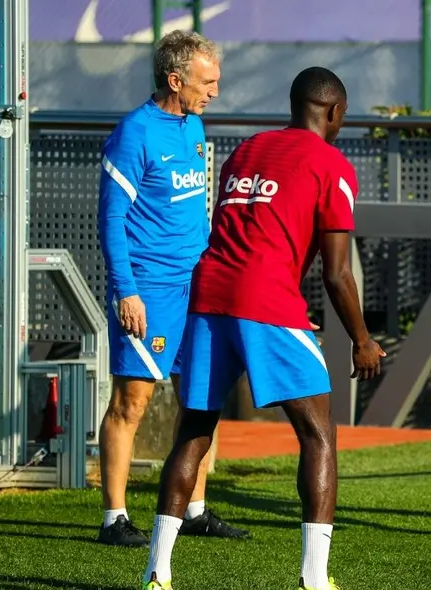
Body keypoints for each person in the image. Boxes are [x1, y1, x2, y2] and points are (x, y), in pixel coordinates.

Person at [140, 66, 384, 590]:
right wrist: (362, 341)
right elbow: (338, 273)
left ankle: (157, 572)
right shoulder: (333, 164)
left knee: (193, 432)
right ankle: (315, 578)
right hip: (265, 300)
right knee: (318, 434)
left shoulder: (245, 151)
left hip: (208, 295)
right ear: (335, 111)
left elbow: (255, 230)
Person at [96, 30, 248, 546]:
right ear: (175, 79)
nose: (215, 93)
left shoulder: (195, 127)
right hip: (149, 289)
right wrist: (126, 291)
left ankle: (195, 508)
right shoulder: (134, 133)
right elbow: (112, 220)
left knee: (200, 397)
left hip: (197, 285)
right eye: (207, 83)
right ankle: (113, 518)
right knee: (131, 403)